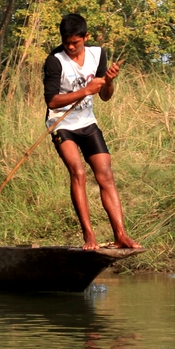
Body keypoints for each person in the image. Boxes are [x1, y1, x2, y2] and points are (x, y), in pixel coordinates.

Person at [42, 13, 141, 250]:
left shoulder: (98, 54)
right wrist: (86, 90)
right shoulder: (55, 60)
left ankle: (121, 235)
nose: (71, 47)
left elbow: (105, 96)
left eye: (75, 42)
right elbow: (52, 102)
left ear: (86, 37)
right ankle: (89, 236)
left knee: (105, 175)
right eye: (67, 42)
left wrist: (108, 82)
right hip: (61, 124)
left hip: (87, 122)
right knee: (78, 172)